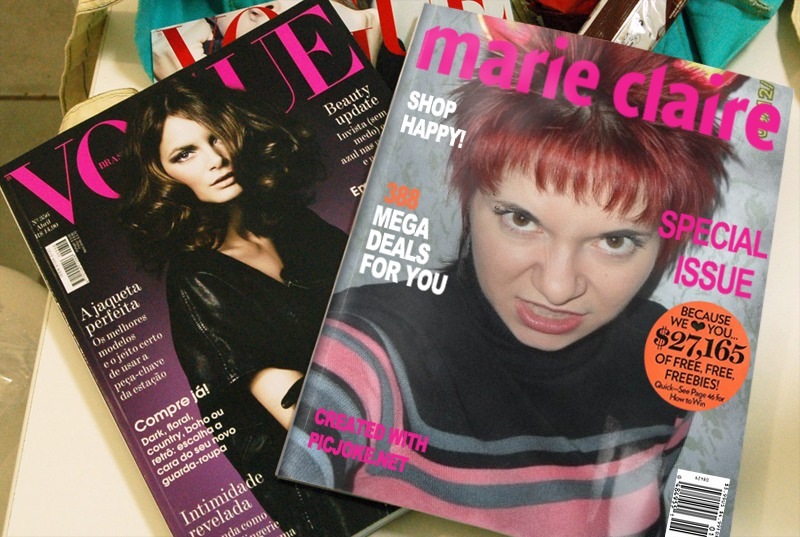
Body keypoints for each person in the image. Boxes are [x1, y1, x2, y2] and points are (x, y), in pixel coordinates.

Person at [281, 17, 743, 537]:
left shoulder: (671, 356)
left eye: (615, 241)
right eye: (521, 220)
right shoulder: (370, 346)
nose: (556, 287)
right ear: (470, 201)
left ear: (664, 245)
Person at [119, 76, 389, 535]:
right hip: (345, 498)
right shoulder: (198, 279)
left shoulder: (291, 224)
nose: (216, 159)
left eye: (217, 137)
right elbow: (318, 423)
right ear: (163, 178)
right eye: (185, 154)